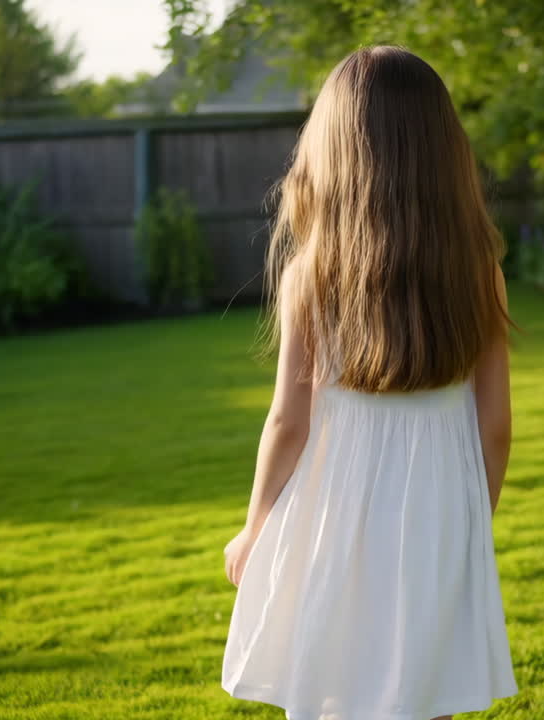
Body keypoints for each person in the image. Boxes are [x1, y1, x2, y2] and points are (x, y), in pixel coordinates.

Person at [220, 44, 519, 720]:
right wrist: (472, 519)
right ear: (443, 151)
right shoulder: (480, 271)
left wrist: (254, 528)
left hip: (336, 517)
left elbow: (288, 424)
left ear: (336, 149)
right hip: (440, 511)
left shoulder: (313, 276)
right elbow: (494, 426)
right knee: (426, 687)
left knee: (332, 682)